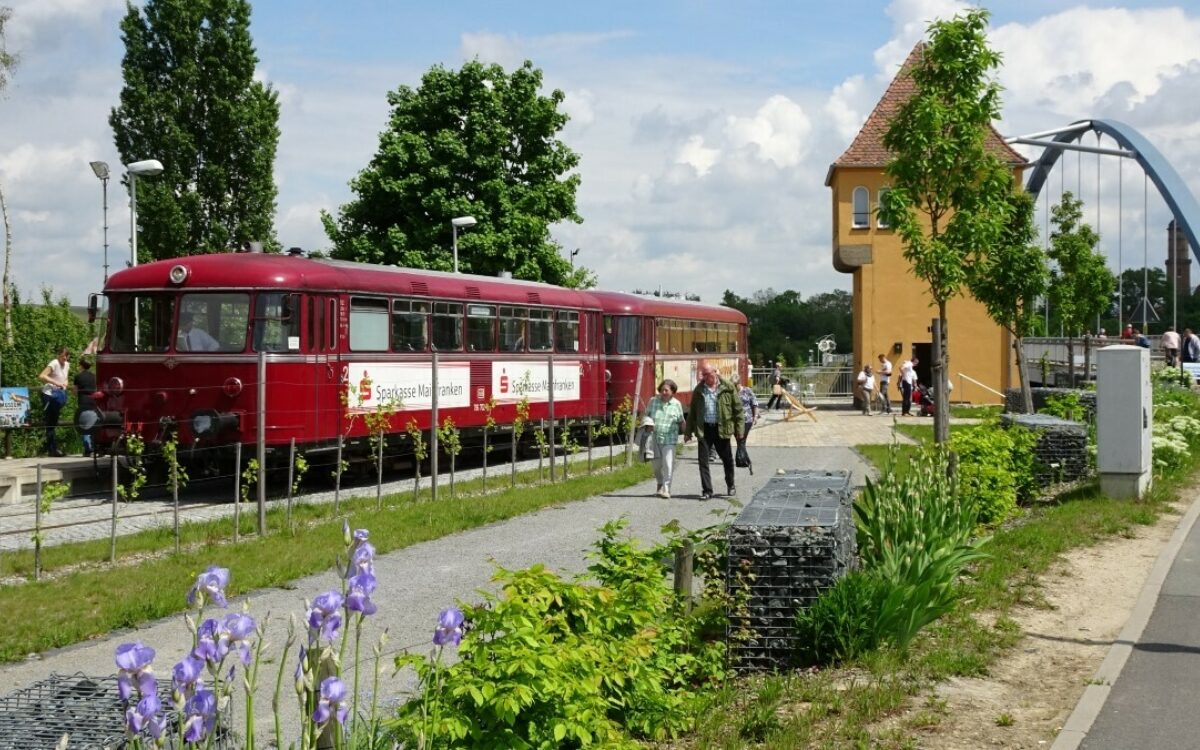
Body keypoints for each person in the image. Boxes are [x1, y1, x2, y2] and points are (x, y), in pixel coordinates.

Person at [686, 362, 743, 501]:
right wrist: (687, 432)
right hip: (704, 429)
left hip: (722, 428)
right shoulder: (699, 389)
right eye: (703, 374)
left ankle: (730, 484)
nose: (704, 377)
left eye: (707, 374)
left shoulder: (728, 387)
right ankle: (707, 491)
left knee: (727, 460)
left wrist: (739, 430)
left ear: (715, 372)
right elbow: (692, 412)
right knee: (703, 461)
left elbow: (738, 410)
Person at [643, 379, 686, 498]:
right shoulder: (653, 401)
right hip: (654, 438)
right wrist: (647, 425)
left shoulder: (676, 404)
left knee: (668, 464)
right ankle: (660, 482)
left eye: (666, 390)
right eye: (662, 390)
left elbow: (681, 420)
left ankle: (667, 489)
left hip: (670, 438)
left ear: (672, 391)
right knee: (656, 465)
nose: (664, 392)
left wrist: (687, 433)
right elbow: (646, 416)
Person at [38, 347, 70, 457]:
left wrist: (65, 384)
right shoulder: (54, 363)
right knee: (50, 421)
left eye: (66, 356)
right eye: (62, 356)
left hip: (59, 395)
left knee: (54, 421)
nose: (64, 358)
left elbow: (65, 377)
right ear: (58, 356)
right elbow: (42, 376)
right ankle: (52, 449)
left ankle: (52, 448)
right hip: (49, 394)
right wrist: (56, 383)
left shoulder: (67, 365)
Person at [731, 372, 758, 473]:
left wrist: (755, 416)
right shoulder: (730, 393)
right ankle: (743, 459)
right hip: (734, 420)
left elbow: (755, 403)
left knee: (741, 439)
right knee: (740, 440)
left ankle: (743, 460)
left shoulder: (747, 391)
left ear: (739, 383)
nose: (733, 387)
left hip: (747, 419)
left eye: (735, 385)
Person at [73, 356, 97, 457]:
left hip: (83, 401)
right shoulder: (94, 376)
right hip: (93, 401)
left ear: (81, 365)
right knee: (92, 423)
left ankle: (87, 449)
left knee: (84, 424)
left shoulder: (78, 377)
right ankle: (93, 446)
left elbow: (74, 391)